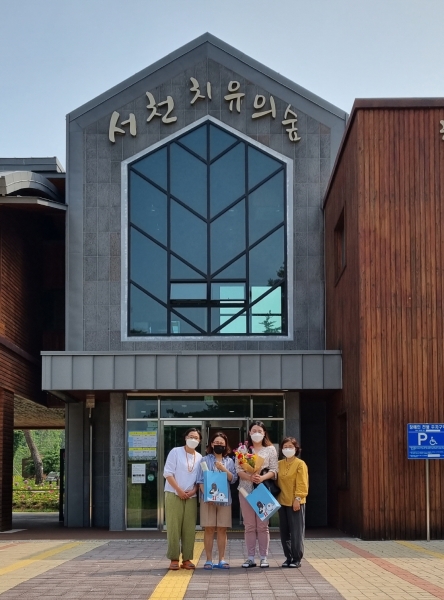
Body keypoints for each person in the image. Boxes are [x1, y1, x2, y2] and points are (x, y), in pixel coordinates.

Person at [236, 421, 278, 568]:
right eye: (254, 431)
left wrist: (261, 478)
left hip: (263, 490)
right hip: (245, 490)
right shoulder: (242, 450)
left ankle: (264, 557)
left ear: (264, 433)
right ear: (249, 432)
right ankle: (250, 557)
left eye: (260, 431)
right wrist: (250, 477)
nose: (257, 433)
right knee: (249, 525)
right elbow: (238, 470)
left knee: (262, 525)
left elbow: (274, 470)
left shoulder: (270, 449)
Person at [196, 431, 238, 570]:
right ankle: (208, 560)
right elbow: (200, 480)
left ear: (225, 445)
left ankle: (222, 559)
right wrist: (208, 496)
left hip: (225, 500)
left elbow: (233, 479)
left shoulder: (229, 461)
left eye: (221, 443)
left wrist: (223, 468)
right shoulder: (204, 460)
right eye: (216, 443)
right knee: (208, 529)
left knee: (222, 529)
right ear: (212, 444)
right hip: (208, 500)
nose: (219, 445)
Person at [163, 428, 202, 571]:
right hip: (173, 494)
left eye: (196, 438)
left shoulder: (200, 457)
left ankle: (187, 559)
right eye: (191, 436)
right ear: (185, 437)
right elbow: (167, 473)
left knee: (189, 528)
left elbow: (200, 479)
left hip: (191, 496)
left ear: (199, 441)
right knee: (173, 526)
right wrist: (179, 490)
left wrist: (193, 491)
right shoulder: (175, 452)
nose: (193, 439)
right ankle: (174, 558)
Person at [277, 436, 308, 568]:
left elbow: (302, 483)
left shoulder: (300, 464)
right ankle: (288, 557)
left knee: (296, 532)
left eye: (290, 446)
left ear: (296, 449)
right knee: (285, 532)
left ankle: (296, 558)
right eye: (285, 447)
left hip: (295, 502)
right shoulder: (279, 464)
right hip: (281, 501)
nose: (287, 449)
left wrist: (298, 499)